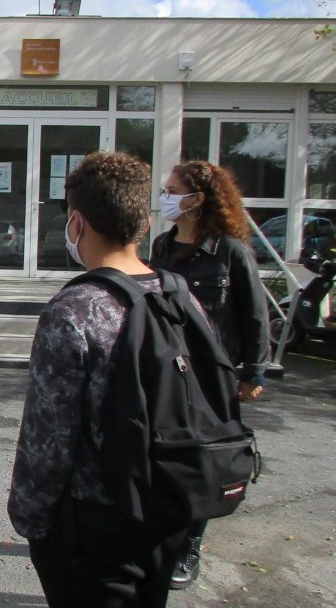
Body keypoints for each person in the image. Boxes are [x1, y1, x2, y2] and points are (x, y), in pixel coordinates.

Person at [8, 152, 191, 607]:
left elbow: (49, 436)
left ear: (76, 223)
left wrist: (30, 521)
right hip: (168, 508)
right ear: (142, 225)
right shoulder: (179, 295)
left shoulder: (76, 311)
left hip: (96, 525)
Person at [149, 159, 269, 590]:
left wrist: (254, 371)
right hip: (168, 371)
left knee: (203, 461)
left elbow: (255, 316)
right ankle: (161, 536)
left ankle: (189, 546)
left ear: (198, 199)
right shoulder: (162, 246)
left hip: (213, 376)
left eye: (173, 189)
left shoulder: (230, 251)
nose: (165, 197)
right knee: (164, 456)